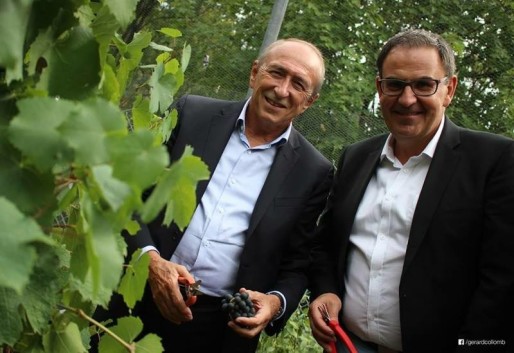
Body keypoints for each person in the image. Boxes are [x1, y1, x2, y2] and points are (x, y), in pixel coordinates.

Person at [308, 28, 514, 353]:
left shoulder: (494, 160)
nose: (407, 99)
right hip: (348, 344)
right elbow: (326, 243)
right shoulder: (356, 157)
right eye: (395, 84)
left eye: (423, 84)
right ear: (380, 88)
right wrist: (326, 290)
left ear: (449, 89)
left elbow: (503, 280)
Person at [126, 38, 333, 353]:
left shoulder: (314, 171)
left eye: (298, 84)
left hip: (219, 329)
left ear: (309, 102)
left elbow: (298, 261)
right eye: (276, 73)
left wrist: (275, 303)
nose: (281, 90)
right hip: (137, 293)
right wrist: (150, 261)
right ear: (254, 73)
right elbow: (131, 191)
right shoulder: (191, 115)